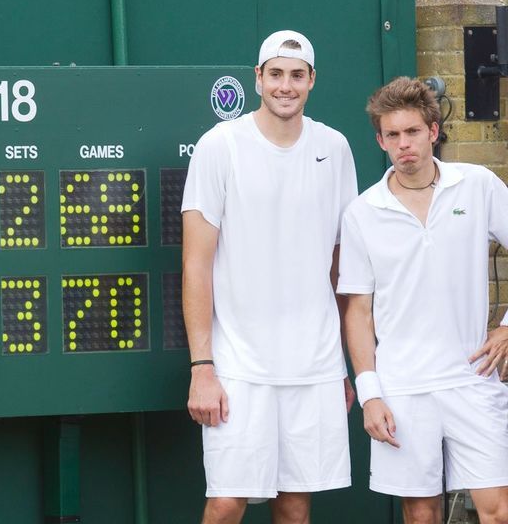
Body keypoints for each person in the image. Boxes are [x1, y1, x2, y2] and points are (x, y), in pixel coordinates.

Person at [181, 30, 357, 524]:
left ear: (312, 80)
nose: (286, 85)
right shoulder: (220, 146)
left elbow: (341, 266)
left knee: (296, 510)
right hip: (237, 365)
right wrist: (202, 367)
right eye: (275, 74)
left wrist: (341, 363)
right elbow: (195, 264)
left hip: (315, 365)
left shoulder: (335, 148)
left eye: (296, 75)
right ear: (257, 78)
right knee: (225, 505)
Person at [340, 76, 508, 524]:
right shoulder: (362, 212)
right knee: (420, 516)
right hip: (403, 388)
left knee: (498, 511)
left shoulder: (477, 185)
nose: (403, 144)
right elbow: (357, 310)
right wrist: (371, 393)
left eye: (412, 132)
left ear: (433, 131)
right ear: (380, 140)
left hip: (473, 378)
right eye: (392, 135)